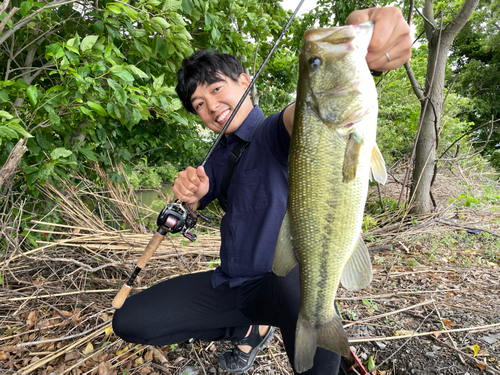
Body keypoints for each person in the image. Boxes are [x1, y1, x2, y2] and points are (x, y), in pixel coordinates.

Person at [113, 7, 411, 374]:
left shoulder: (276, 130)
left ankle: (310, 337)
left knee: (299, 290)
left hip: (283, 285)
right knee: (131, 321)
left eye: (217, 89)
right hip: (232, 284)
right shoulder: (216, 159)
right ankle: (249, 328)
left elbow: (311, 111)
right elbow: (190, 213)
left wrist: (367, 60)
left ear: (244, 80)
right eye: (199, 105)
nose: (211, 107)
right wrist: (189, 201)